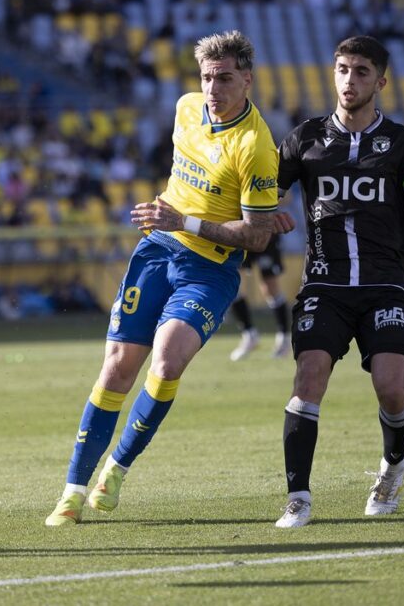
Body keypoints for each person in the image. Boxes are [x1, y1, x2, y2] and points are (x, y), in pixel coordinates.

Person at [44, 30, 279, 526]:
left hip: (209, 268)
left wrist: (186, 222)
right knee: (116, 370)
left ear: (248, 80)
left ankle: (118, 468)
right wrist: (170, 223)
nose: (214, 88)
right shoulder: (185, 107)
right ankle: (70, 492)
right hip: (156, 252)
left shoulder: (255, 145)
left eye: (226, 78)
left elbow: (258, 237)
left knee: (168, 362)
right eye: (207, 77)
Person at [271, 35, 404, 528]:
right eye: (343, 69)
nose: (350, 80)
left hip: (383, 285)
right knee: (308, 378)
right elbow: (265, 198)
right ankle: (298, 499)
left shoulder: (400, 145)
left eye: (362, 71)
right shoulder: (303, 139)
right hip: (324, 285)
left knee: (393, 389)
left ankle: (392, 467)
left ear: (381, 81)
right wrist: (267, 218)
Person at [228, 232, 291, 361]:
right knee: (232, 285)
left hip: (266, 233)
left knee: (270, 287)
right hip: (241, 233)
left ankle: (284, 339)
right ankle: (250, 335)